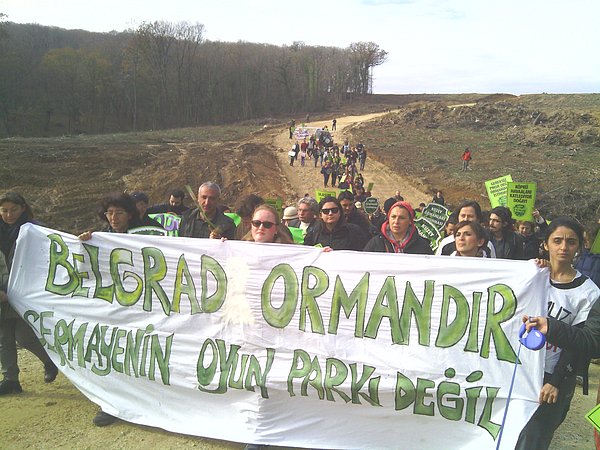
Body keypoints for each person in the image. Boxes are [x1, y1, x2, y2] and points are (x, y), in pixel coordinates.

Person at [515, 217, 599, 450]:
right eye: (558, 240)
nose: (564, 247)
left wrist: (556, 381)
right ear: (546, 244)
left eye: (571, 242)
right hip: (517, 370)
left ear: (579, 248)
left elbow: (581, 343)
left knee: (532, 441)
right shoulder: (531, 274)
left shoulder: (587, 292)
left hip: (550, 379)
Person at [0, 192, 58, 395]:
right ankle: (10, 379)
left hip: (26, 292)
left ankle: (51, 361)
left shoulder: (35, 230)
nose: (8, 214)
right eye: (4, 210)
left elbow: (49, 257)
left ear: (23, 208)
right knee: (3, 338)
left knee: (24, 338)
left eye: (13, 210)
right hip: (1, 291)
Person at [364, 201, 433, 255]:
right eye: (393, 217)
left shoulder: (422, 246)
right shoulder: (376, 243)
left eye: (402, 218)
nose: (396, 221)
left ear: (410, 221)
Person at [303, 196, 368, 251]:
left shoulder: (354, 231)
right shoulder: (313, 232)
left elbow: (363, 254)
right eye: (326, 211)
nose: (330, 213)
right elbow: (306, 253)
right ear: (320, 215)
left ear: (340, 212)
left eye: (334, 210)